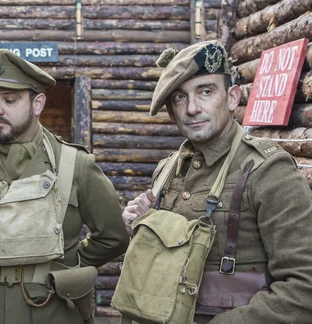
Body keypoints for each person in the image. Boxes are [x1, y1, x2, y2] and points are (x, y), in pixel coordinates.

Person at [0, 49, 129, 324]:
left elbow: (113, 237)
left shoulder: (74, 165)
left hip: (48, 306)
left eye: (10, 100)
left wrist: (66, 264)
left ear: (38, 104)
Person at [122, 40, 312, 323]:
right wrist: (141, 227)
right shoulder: (167, 170)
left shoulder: (268, 171)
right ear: (172, 111)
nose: (193, 108)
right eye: (179, 97)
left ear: (233, 97)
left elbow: (303, 289)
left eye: (206, 91)